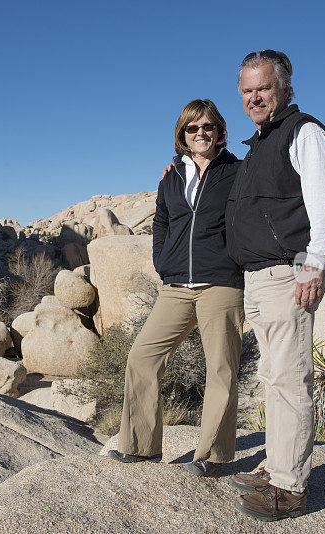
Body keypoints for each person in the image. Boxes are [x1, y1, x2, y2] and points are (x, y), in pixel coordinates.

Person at [225, 50, 325, 521]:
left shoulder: (304, 133)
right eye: (247, 91)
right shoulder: (261, 142)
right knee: (274, 378)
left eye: (263, 88)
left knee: (291, 379)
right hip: (259, 279)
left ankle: (290, 488)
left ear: (285, 88)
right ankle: (276, 467)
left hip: (287, 274)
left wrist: (314, 263)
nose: (255, 97)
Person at [108, 99, 244, 477]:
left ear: (219, 132)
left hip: (221, 283)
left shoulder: (237, 171)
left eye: (208, 127)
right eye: (192, 128)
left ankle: (213, 456)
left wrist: (236, 259)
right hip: (177, 286)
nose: (201, 134)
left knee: (221, 369)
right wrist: (163, 262)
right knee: (142, 357)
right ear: (182, 134)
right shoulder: (171, 176)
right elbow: (163, 223)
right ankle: (140, 447)